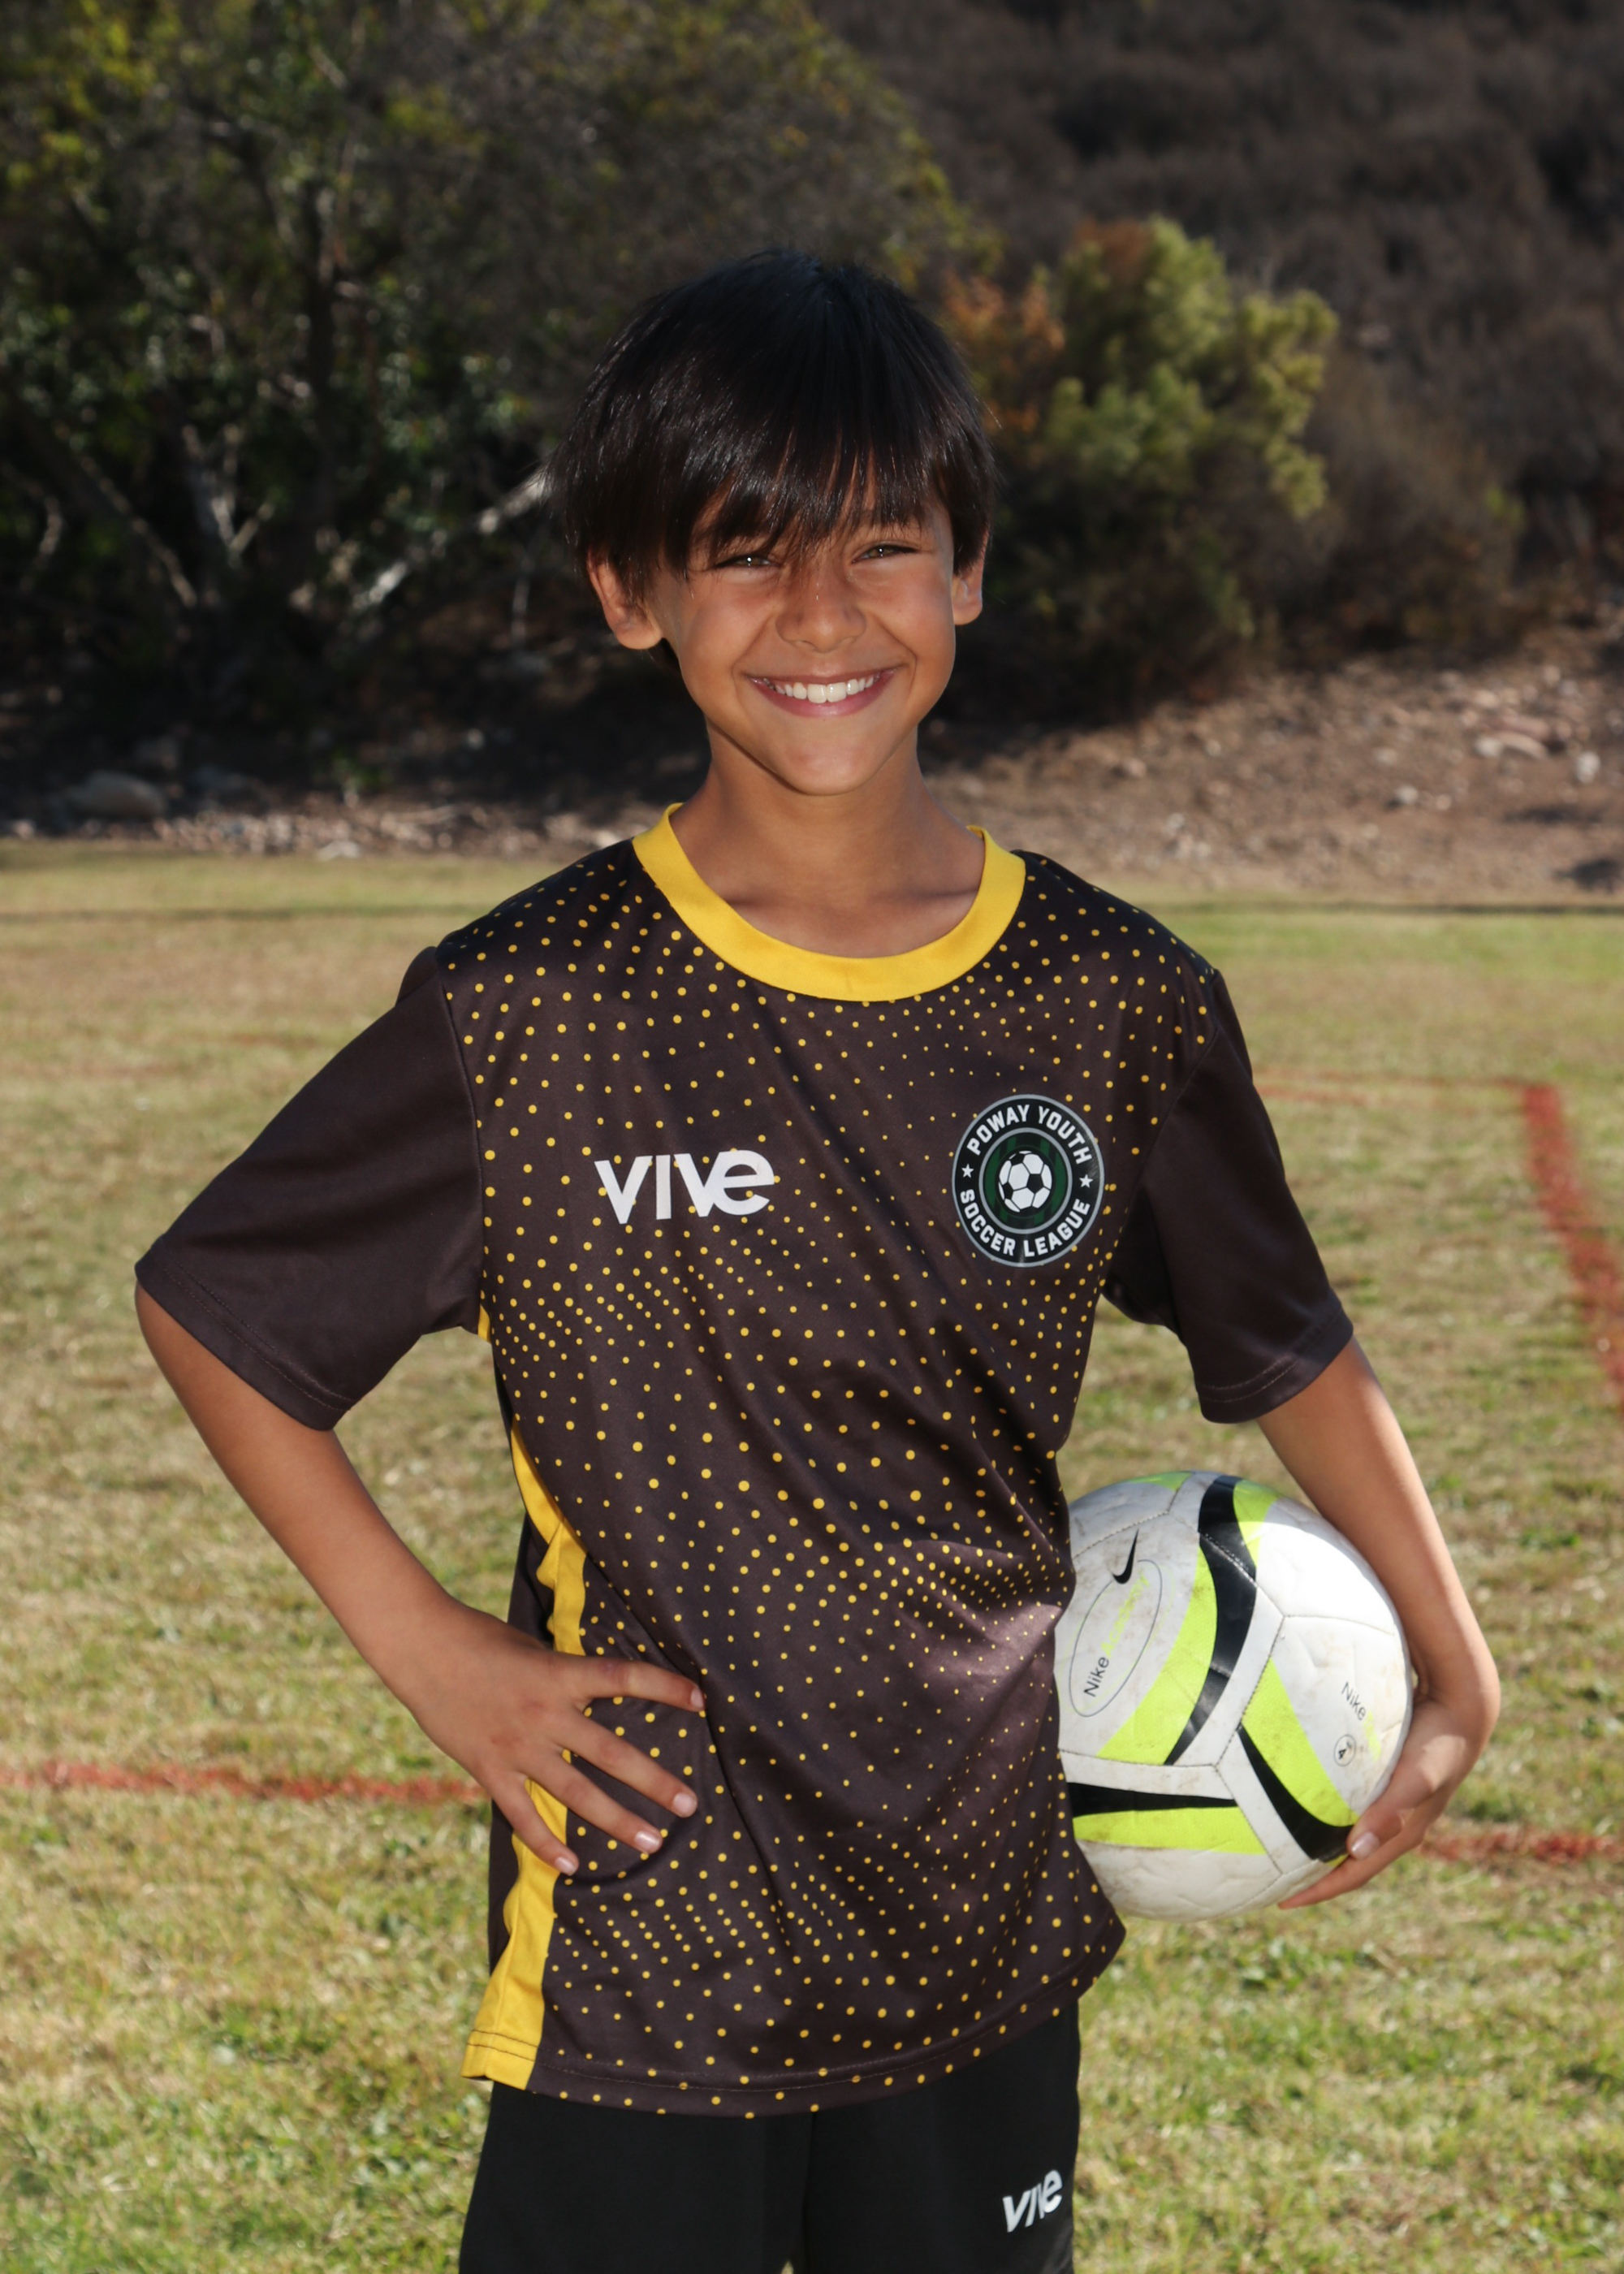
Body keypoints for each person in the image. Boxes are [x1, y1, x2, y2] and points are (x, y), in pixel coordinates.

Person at [136, 252, 1499, 2274]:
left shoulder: (1110, 999)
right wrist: (436, 1655)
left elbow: (1283, 1337)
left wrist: (1453, 1653)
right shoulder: (534, 1008)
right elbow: (220, 1308)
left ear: (966, 568)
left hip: (980, 1921)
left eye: (880, 544)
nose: (822, 614)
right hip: (646, 1944)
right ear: (631, 590)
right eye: (744, 550)